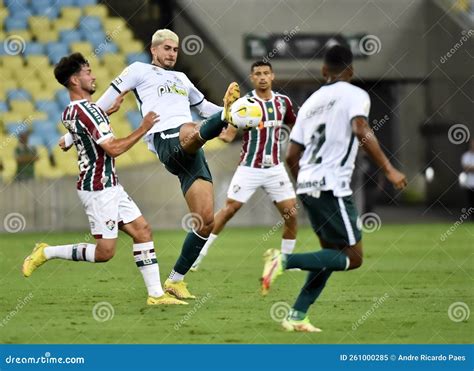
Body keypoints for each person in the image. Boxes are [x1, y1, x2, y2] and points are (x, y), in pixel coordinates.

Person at [261, 45, 407, 332]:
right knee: (353, 258)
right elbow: (360, 129)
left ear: (323, 71)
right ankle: (283, 260)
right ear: (350, 71)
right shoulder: (356, 95)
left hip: (307, 185)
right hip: (332, 187)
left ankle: (297, 315)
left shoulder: (311, 103)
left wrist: (305, 182)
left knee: (330, 256)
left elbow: (291, 155)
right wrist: (388, 169)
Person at [22, 53, 186, 306]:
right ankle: (46, 252)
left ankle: (156, 296)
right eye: (88, 72)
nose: (94, 75)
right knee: (104, 253)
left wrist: (102, 113)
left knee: (142, 231)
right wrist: (143, 127)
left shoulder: (71, 111)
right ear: (76, 80)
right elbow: (114, 149)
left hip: (109, 184)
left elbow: (83, 126)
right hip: (98, 188)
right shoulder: (90, 112)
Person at [94, 29, 240, 299]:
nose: (172, 54)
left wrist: (233, 112)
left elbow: (205, 107)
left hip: (191, 151)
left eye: (175, 49)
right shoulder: (139, 70)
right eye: (167, 49)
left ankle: (175, 280)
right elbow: (102, 102)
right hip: (167, 139)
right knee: (193, 129)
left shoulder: (182, 79)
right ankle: (226, 118)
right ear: (154, 49)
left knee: (206, 221)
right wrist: (72, 133)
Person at [190, 61, 298, 271]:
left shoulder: (283, 102)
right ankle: (198, 254)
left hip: (275, 168)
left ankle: (286, 261)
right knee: (229, 210)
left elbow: (295, 125)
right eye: (258, 74)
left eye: (266, 73)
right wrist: (218, 132)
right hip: (249, 167)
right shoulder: (244, 104)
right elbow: (229, 136)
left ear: (273, 76)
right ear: (252, 78)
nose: (263, 77)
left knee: (291, 214)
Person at [461, 139, 474, 216]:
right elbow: (465, 168)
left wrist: (470, 167)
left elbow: (468, 168)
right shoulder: (466, 156)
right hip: (470, 183)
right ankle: (472, 217)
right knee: (471, 201)